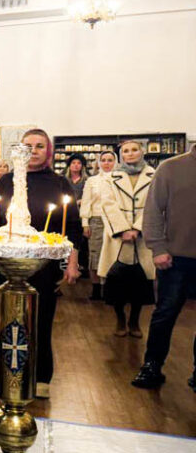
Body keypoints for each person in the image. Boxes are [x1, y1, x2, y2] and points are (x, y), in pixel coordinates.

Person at [0, 129, 82, 399]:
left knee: (41, 321)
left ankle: (41, 378)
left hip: (44, 265)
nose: (34, 150)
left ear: (48, 151)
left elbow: (72, 225)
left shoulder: (60, 183)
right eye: (28, 146)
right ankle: (6, 376)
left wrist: (72, 262)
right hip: (8, 263)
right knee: (7, 322)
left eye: (40, 146)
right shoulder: (6, 181)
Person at [131, 142, 196, 390]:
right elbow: (153, 210)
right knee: (165, 313)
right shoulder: (171, 168)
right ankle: (152, 366)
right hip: (176, 257)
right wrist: (157, 247)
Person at [98, 141, 156, 338]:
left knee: (141, 282)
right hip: (118, 237)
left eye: (134, 150)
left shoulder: (153, 175)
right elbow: (107, 204)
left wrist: (138, 228)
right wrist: (122, 229)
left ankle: (135, 321)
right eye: (125, 151)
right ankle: (120, 318)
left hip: (142, 237)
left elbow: (155, 205)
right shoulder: (110, 177)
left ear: (142, 152)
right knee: (117, 282)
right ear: (121, 154)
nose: (130, 154)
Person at [80, 151, 117, 301]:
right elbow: (86, 202)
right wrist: (85, 223)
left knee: (112, 255)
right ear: (99, 163)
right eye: (103, 160)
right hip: (96, 220)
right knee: (95, 255)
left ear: (116, 162)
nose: (107, 163)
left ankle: (109, 288)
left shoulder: (120, 179)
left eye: (110, 160)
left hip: (115, 221)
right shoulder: (92, 181)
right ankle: (96, 289)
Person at [64, 152, 91, 277]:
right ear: (69, 165)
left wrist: (80, 201)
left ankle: (81, 266)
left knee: (82, 241)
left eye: (78, 163)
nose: (76, 166)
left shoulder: (87, 180)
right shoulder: (63, 179)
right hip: (66, 213)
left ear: (82, 166)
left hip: (82, 213)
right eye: (73, 163)